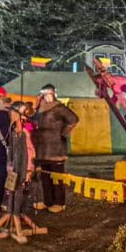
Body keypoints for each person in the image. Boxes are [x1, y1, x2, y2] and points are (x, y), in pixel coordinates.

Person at [31, 84, 78, 213]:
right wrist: (35, 107)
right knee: (45, 177)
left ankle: (59, 202)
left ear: (52, 93)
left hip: (56, 148)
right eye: (43, 94)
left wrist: (62, 133)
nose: (44, 96)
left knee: (57, 178)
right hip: (43, 149)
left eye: (47, 93)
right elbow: (32, 121)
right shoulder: (40, 109)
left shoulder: (59, 108)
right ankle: (48, 201)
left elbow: (73, 119)